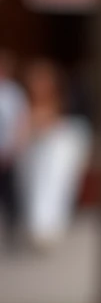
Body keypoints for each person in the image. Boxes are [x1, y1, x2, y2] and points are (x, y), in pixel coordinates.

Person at [17, 58, 92, 250]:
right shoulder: (23, 103)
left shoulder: (66, 106)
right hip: (32, 154)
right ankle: (38, 226)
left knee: (53, 182)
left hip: (54, 151)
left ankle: (47, 227)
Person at [0, 50, 28, 248]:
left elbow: (20, 121)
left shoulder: (14, 92)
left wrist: (14, 146)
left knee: (10, 195)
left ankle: (13, 232)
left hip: (7, 150)